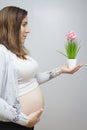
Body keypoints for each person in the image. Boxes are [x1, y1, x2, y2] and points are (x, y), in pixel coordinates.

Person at [0, 6, 83, 130]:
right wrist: (25, 120)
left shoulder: (17, 51)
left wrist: (60, 70)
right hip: (13, 125)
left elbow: (32, 80)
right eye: (24, 24)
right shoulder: (2, 53)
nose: (28, 30)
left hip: (27, 123)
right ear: (11, 26)